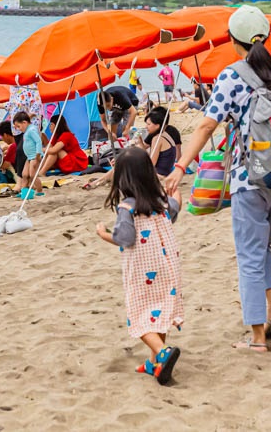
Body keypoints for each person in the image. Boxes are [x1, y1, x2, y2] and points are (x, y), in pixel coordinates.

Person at [165, 5, 271, 353]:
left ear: (232, 41)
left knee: (249, 255)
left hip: (250, 179)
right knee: (261, 246)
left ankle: (257, 337)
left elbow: (206, 124)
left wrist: (180, 166)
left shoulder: (232, 76)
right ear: (267, 37)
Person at [94, 147, 183, 385]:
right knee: (159, 312)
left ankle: (162, 353)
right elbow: (173, 210)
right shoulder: (161, 201)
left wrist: (103, 234)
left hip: (142, 270)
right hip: (168, 265)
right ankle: (155, 363)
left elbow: (125, 238)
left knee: (140, 315)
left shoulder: (127, 208)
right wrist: (177, 197)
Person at [139, 106, 182, 177]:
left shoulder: (157, 138)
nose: (146, 127)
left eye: (148, 124)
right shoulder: (165, 134)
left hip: (159, 174)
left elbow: (151, 164)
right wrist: (140, 142)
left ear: (157, 125)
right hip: (167, 171)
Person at [14, 111, 43, 197]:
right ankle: (24, 191)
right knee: (24, 174)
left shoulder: (31, 130)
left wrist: (38, 154)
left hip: (34, 156)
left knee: (32, 175)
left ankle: (40, 191)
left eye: (18, 126)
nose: (19, 129)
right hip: (29, 157)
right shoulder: (27, 130)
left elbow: (38, 141)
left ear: (24, 123)